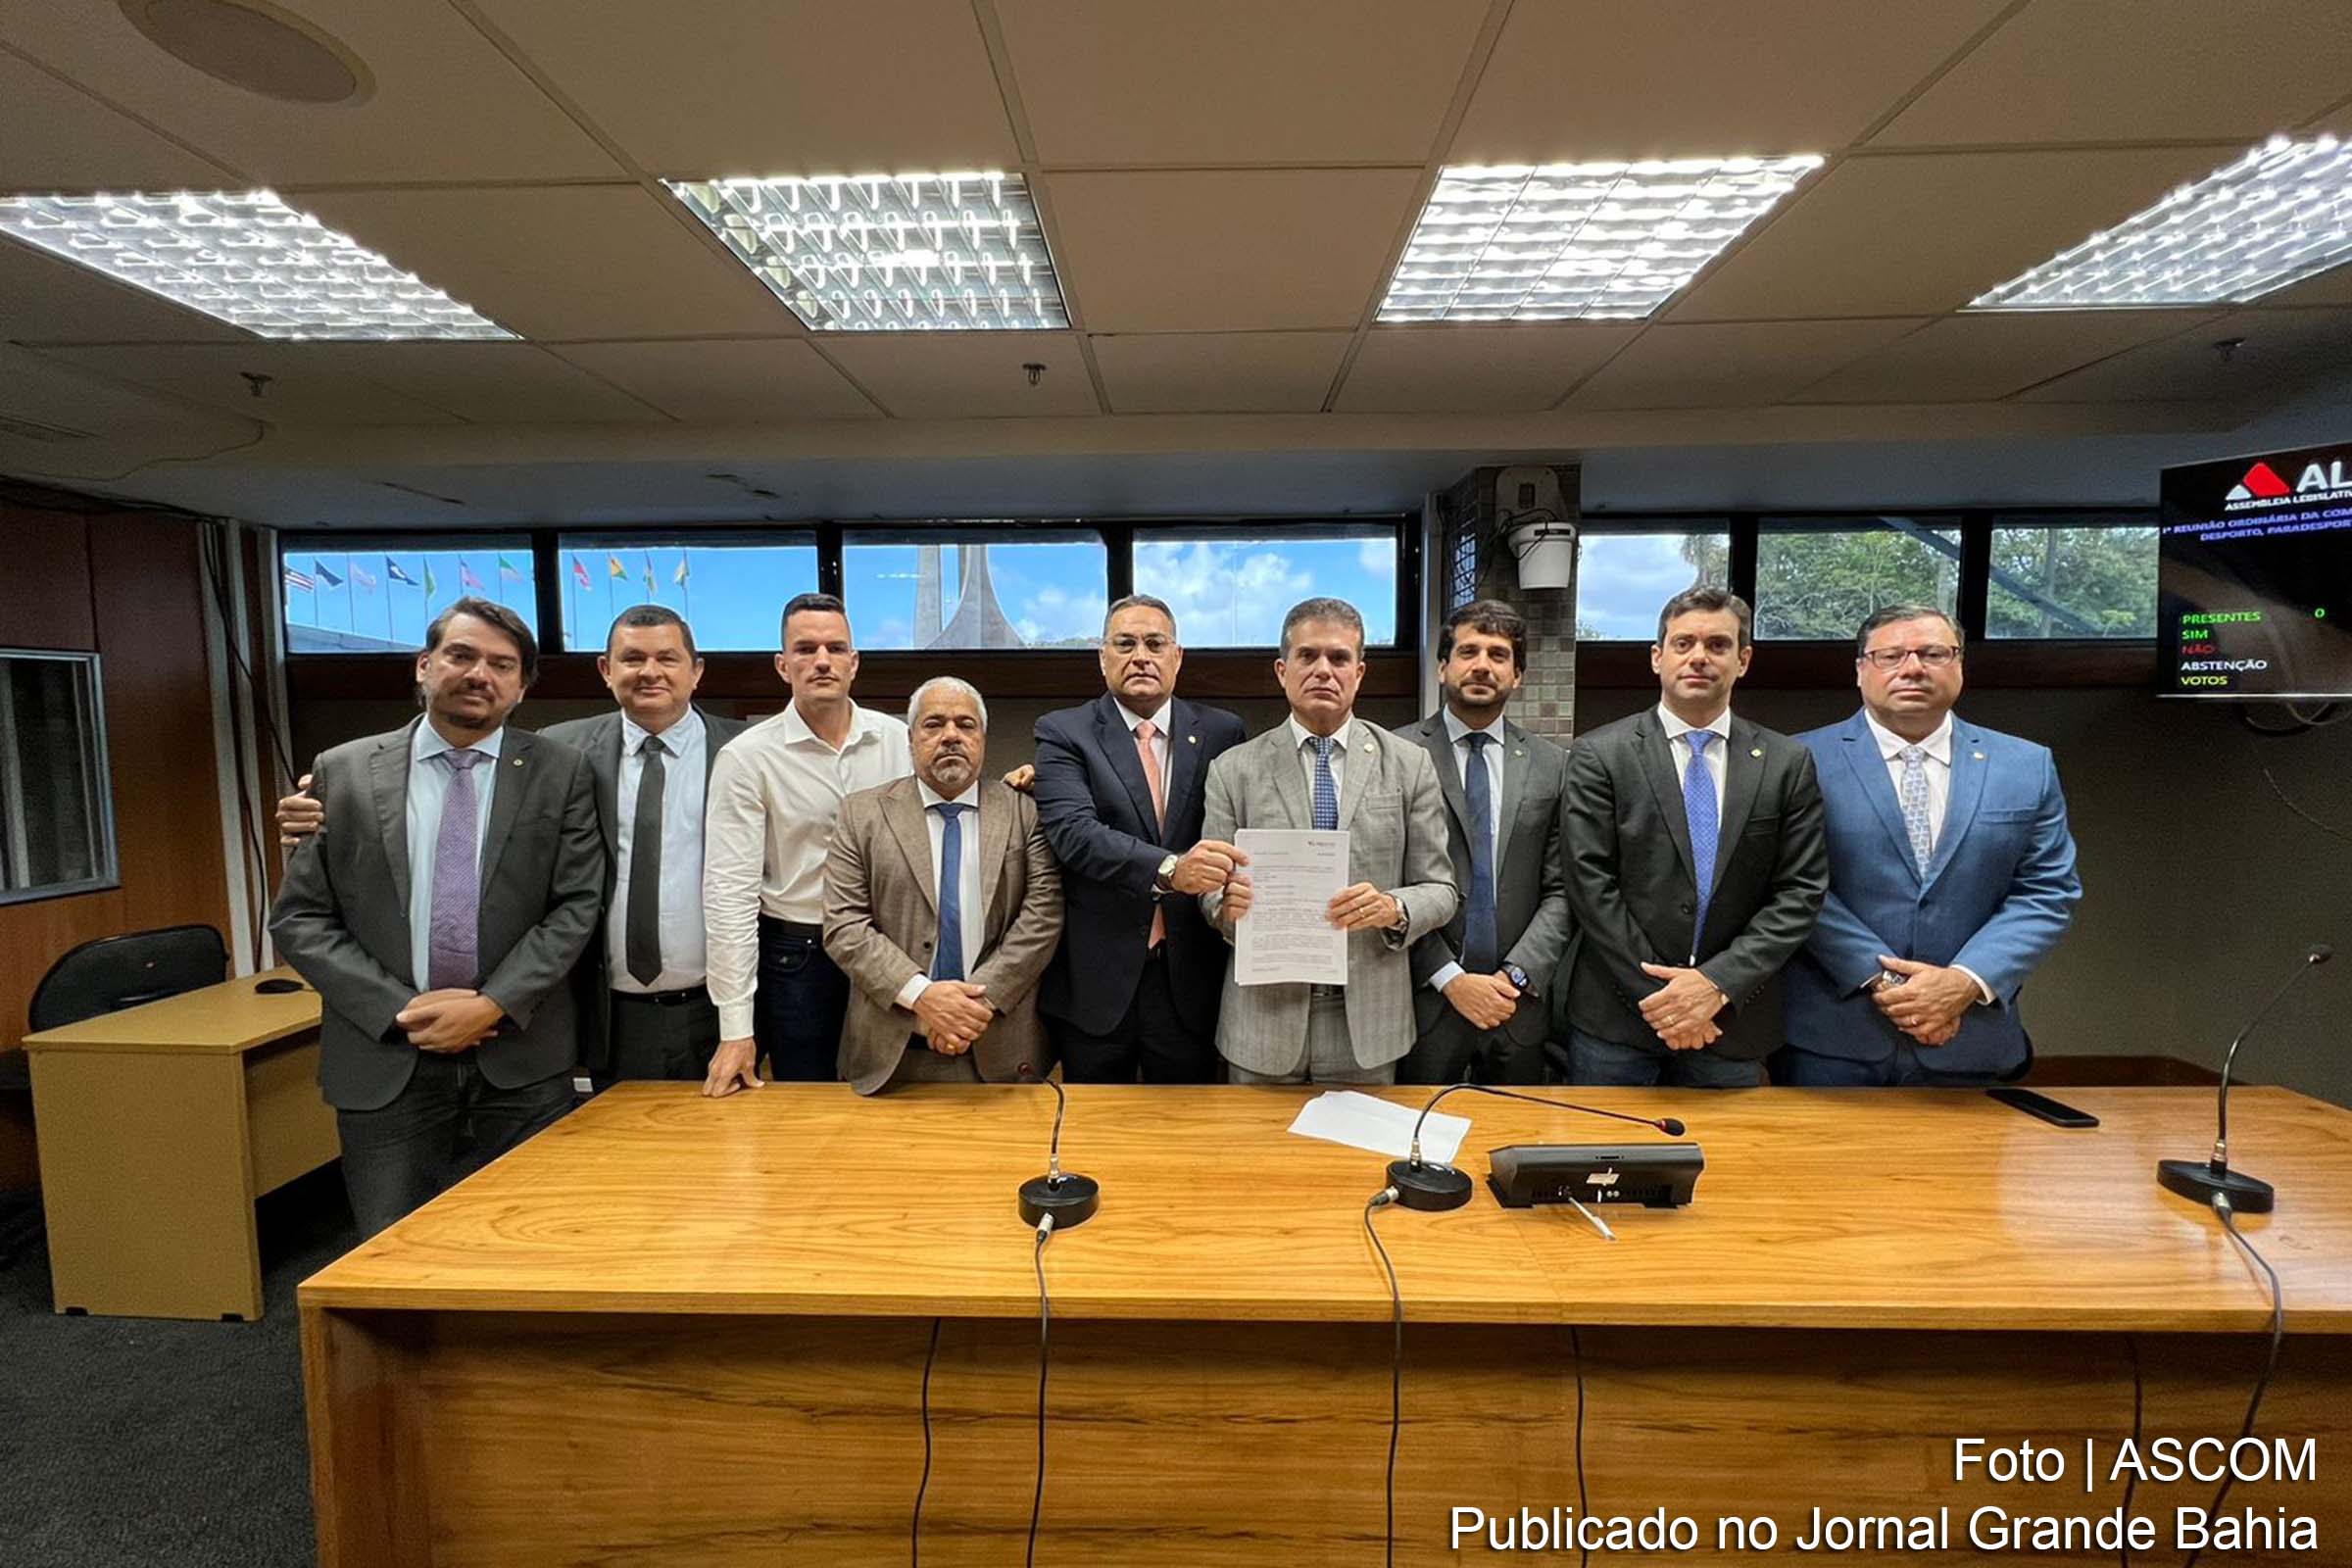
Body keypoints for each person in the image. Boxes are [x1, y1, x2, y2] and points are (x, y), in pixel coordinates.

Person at [278, 605, 747, 1087]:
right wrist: (319, 805)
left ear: (697, 671)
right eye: (632, 659)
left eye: (667, 658)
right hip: (602, 1009)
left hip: (725, 1005)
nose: (649, 672)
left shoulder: (747, 751)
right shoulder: (563, 752)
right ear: (606, 670)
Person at [270, 599, 603, 1235]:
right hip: (387, 1053)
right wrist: (403, 1011)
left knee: (534, 1240)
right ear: (424, 666)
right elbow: (301, 918)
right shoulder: (342, 771)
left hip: (521, 1055)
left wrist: (493, 1004)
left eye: (502, 665)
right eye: (462, 655)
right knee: (392, 1247)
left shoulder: (561, 772)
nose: (480, 674)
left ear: (522, 687)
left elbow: (576, 905)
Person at [1779, 606, 2082, 1086]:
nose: (1913, 668)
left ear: (1959, 665)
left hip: (1971, 1037)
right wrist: (1894, 985)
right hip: (1833, 1043)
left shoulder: (2027, 766)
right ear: (1860, 669)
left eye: (1933, 653)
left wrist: (1962, 982)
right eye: (1891, 655)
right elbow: (1790, 884)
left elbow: (2047, 891)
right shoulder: (1796, 760)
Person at [1560, 587, 1828, 1088]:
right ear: (1657, 657)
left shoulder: (1786, 763)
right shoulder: (1600, 755)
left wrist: (1715, 985)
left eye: (1718, 645)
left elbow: (1800, 891)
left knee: (1733, 1143)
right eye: (1683, 644)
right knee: (1600, 1139)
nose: (1699, 657)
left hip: (1731, 1019)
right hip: (1617, 1019)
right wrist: (1668, 1001)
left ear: (1743, 660)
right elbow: (1589, 884)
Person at [1198, 597, 1456, 1085]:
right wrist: (1225, 906)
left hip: (1369, 1023)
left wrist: (1393, 908)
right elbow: (1211, 892)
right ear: (1282, 671)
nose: (1323, 670)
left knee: (1361, 1140)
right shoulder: (1233, 770)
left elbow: (1441, 889)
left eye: (1339, 658)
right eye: (1307, 656)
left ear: (1359, 673)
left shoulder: (1409, 764)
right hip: (1262, 1020)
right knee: (1251, 1137)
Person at [1031, 594, 1249, 1083]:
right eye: (1125, 644)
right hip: (1096, 983)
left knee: (1186, 1122)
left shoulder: (1223, 732)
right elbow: (1075, 834)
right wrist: (1172, 870)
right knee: (1094, 1122)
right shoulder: (1064, 731)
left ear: (1178, 656)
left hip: (1191, 979)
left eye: (1155, 644)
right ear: (1102, 657)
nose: (1141, 656)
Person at [700, 593, 912, 1095]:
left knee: (895, 1096)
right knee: (808, 1104)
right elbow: (729, 896)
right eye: (805, 649)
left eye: (835, 648)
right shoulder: (747, 758)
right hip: (798, 957)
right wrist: (736, 1027)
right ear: (782, 665)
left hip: (890, 946)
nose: (821, 661)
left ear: (854, 663)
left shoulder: (900, 741)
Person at [822, 677, 1063, 1092]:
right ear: (910, 739)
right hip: (890, 1054)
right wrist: (922, 997)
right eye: (934, 724)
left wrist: (970, 1008)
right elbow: (845, 926)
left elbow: (1043, 918)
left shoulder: (1025, 813)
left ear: (982, 738)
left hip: (1001, 1050)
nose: (951, 735)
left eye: (966, 725)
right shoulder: (861, 814)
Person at [1399, 600, 1574, 1085]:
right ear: (1442, 667)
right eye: (1468, 652)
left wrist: (1514, 976)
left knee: (1515, 1127)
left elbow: (1563, 889)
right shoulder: (1396, 755)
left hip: (1519, 1004)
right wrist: (1450, 978)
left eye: (1498, 655)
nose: (1482, 665)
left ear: (1517, 676)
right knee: (1419, 1129)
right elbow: (1385, 883)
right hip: (1425, 1001)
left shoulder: (1554, 765)